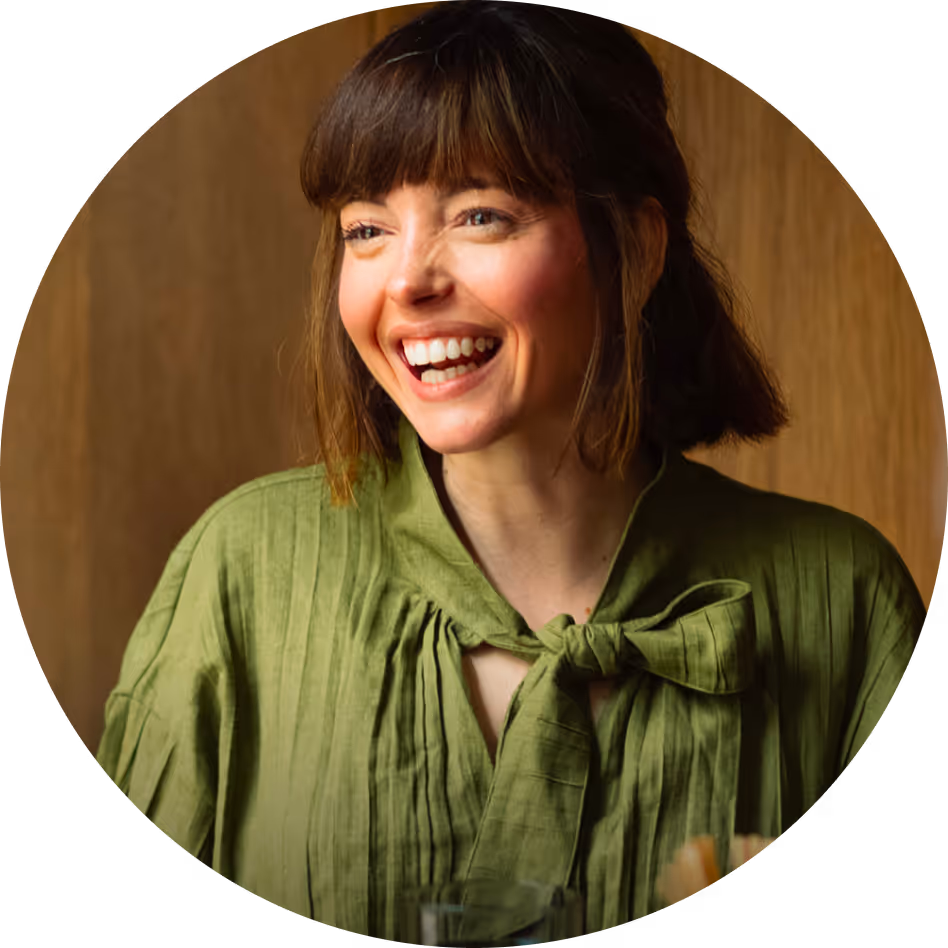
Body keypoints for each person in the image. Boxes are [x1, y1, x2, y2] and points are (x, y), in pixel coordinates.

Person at [95, 1, 926, 939]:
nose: (406, 280)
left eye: (480, 214)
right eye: (366, 230)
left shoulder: (846, 599)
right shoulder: (236, 571)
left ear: (637, 249)